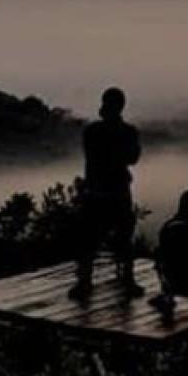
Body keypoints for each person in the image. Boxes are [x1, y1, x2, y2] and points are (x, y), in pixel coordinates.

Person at [70, 87, 144, 300]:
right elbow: (132, 158)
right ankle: (126, 281)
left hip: (98, 190)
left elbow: (94, 158)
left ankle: (85, 282)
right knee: (121, 239)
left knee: (90, 240)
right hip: (116, 190)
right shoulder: (128, 132)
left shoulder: (93, 131)